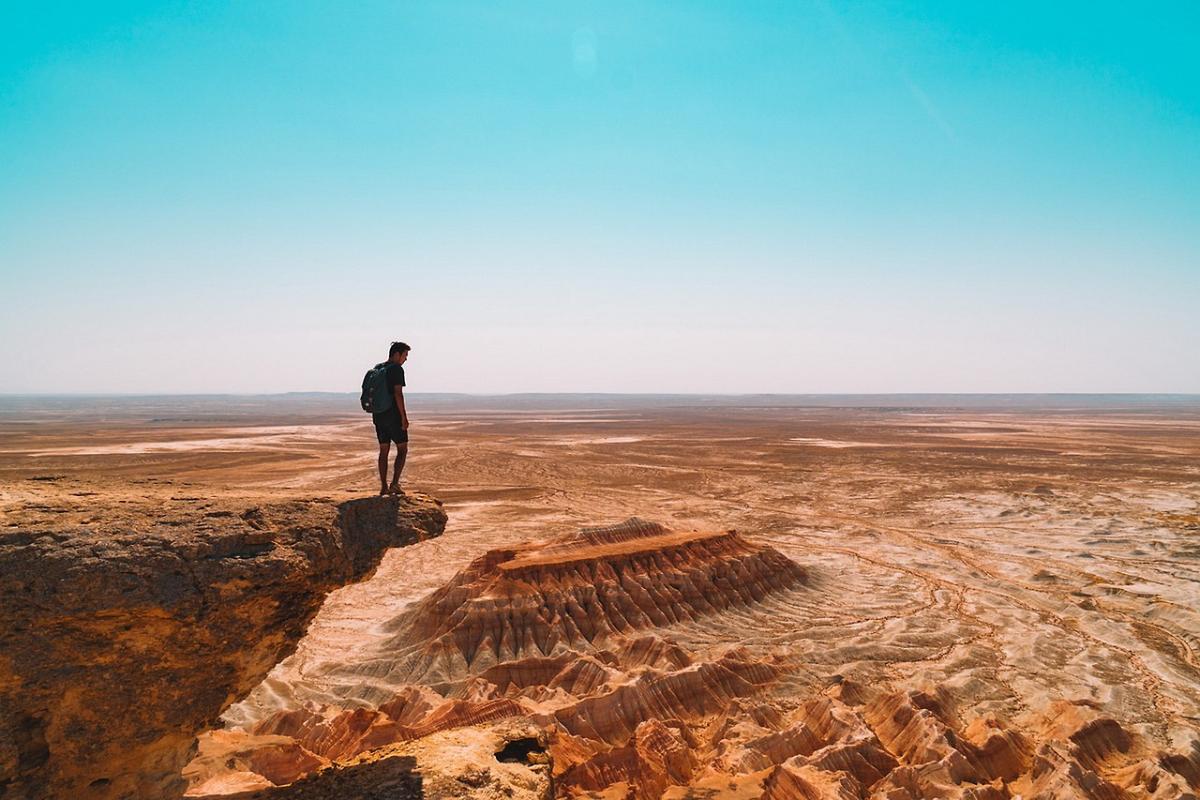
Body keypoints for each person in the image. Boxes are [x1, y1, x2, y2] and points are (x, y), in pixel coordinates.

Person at [374, 341, 410, 495]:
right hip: (393, 415)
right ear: (397, 354)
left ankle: (383, 487)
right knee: (402, 449)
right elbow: (398, 393)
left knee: (384, 450)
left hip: (378, 415)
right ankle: (394, 484)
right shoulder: (396, 369)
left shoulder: (378, 368)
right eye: (405, 355)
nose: (405, 359)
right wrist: (403, 416)